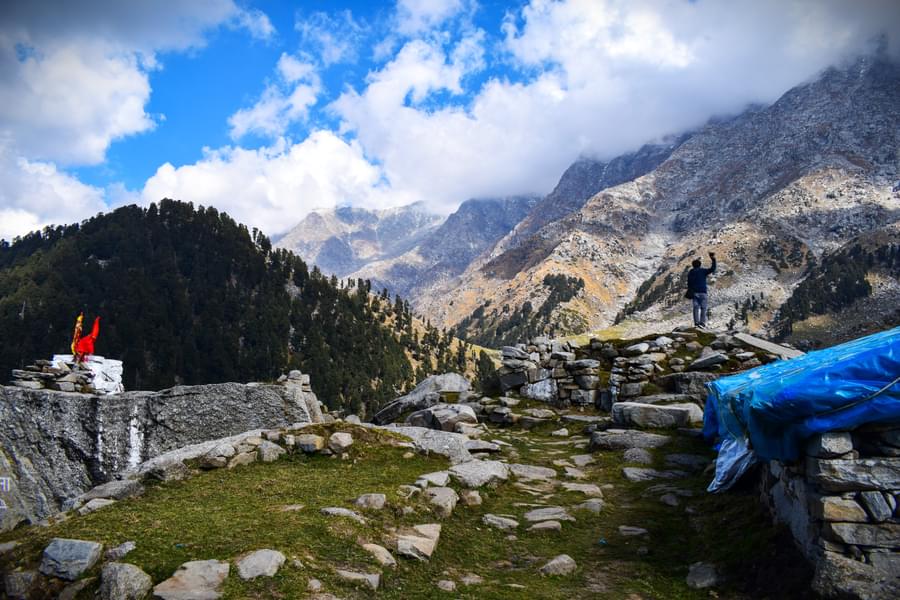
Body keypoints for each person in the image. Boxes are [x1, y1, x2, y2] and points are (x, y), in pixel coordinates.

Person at [687, 252, 716, 328]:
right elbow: (713, 269)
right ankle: (702, 323)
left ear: (693, 265)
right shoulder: (703, 271)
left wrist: (690, 290)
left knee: (695, 308)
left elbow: (689, 283)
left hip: (695, 293)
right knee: (703, 308)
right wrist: (713, 259)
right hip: (703, 292)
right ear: (700, 265)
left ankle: (696, 323)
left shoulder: (691, 272)